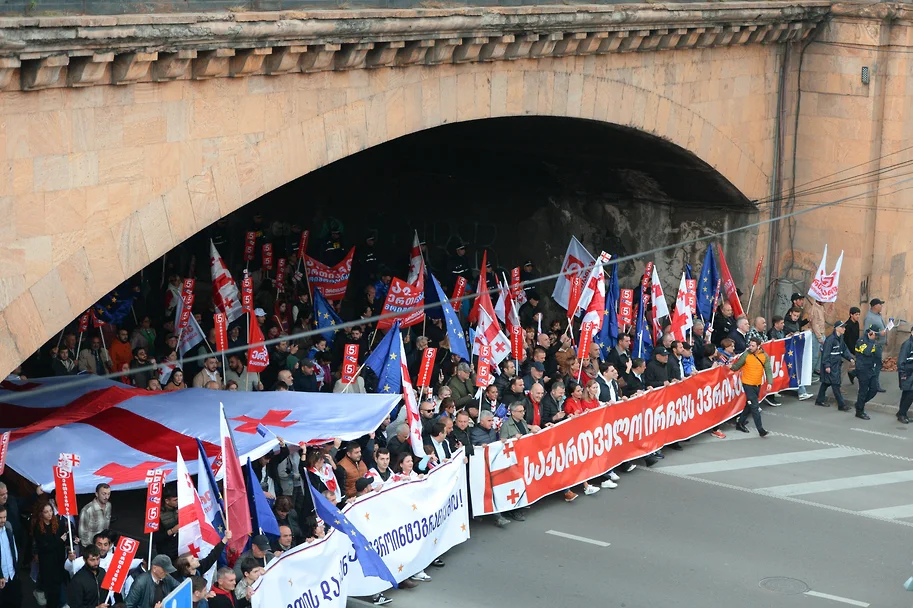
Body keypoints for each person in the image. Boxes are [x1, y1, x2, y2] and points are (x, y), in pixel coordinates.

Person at [731, 337, 773, 437]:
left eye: (753, 346)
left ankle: (740, 422)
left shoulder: (764, 356)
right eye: (750, 345)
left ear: (759, 346)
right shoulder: (746, 355)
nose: (750, 347)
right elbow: (737, 366)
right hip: (747, 384)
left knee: (749, 404)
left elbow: (768, 370)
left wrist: (770, 383)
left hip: (757, 384)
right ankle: (760, 430)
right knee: (754, 406)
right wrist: (730, 367)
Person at [32, 502, 71, 608]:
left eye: (50, 511)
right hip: (47, 563)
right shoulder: (38, 528)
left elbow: (65, 537)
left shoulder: (57, 523)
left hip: (58, 561)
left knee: (58, 588)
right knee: (51, 592)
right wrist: (59, 541)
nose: (49, 514)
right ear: (41, 514)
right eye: (46, 512)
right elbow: (45, 548)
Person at [815, 321, 854, 411]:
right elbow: (826, 354)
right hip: (832, 365)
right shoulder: (830, 340)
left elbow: (844, 349)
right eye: (842, 327)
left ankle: (819, 400)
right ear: (837, 328)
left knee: (826, 383)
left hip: (835, 364)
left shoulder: (840, 338)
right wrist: (827, 366)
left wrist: (850, 358)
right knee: (836, 384)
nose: (844, 329)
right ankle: (841, 405)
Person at [853, 325, 882, 420]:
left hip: (870, 369)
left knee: (874, 389)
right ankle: (859, 411)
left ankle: (859, 404)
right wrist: (871, 341)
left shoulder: (874, 341)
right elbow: (867, 352)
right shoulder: (861, 341)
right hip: (862, 370)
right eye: (875, 334)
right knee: (863, 391)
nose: (876, 336)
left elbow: (877, 354)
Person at [864, 298, 888, 392]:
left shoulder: (878, 315)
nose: (881, 306)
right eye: (880, 304)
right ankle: (875, 385)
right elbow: (867, 331)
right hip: (874, 345)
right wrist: (879, 334)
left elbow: (882, 328)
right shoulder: (869, 317)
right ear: (874, 306)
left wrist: (885, 339)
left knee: (876, 365)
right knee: (876, 366)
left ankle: (854, 373)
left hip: (880, 344)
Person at [78, 484, 111, 551]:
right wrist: (91, 549)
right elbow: (82, 533)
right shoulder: (87, 510)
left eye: (108, 494)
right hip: (92, 548)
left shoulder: (108, 505)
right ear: (96, 494)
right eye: (104, 494)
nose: (106, 497)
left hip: (104, 546)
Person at [0, 504, 21, 608]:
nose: (3, 520)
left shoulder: (8, 531)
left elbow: (13, 551)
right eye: (0, 517)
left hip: (12, 575)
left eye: (4, 517)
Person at [897, 327, 913, 424]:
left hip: (911, 372)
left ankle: (901, 412)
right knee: (910, 394)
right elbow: (901, 361)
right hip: (907, 372)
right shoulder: (907, 344)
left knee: (907, 393)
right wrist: (903, 374)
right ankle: (902, 414)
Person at [844, 307, 861, 384]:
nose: (858, 316)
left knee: (859, 365)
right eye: (856, 314)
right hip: (848, 349)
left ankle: (852, 374)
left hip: (855, 347)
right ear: (851, 315)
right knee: (844, 368)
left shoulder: (857, 323)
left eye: (859, 314)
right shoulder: (847, 325)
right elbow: (848, 340)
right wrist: (853, 351)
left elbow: (856, 337)